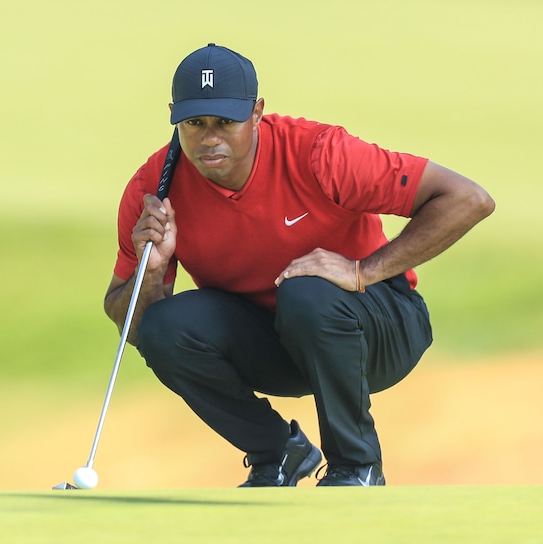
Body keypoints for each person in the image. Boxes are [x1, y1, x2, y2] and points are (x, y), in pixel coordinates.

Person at [103, 43, 494, 487]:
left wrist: (361, 270)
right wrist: (151, 272)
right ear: (175, 116)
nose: (209, 138)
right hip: (278, 344)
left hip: (379, 329)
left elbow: (468, 199)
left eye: (225, 122)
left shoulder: (318, 153)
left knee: (306, 290)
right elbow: (135, 332)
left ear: (257, 113)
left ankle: (356, 467)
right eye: (194, 123)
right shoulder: (154, 189)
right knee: (165, 325)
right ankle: (279, 453)